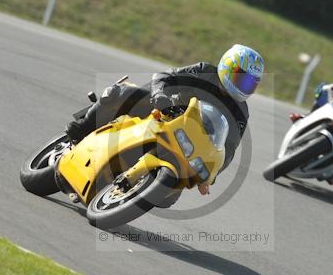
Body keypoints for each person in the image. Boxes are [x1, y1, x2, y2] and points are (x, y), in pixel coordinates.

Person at [65, 44, 264, 194]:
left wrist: (210, 177)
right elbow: (165, 76)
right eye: (243, 79)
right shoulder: (204, 71)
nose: (245, 87)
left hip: (189, 142)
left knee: (173, 193)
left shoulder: (241, 112)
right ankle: (81, 129)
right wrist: (160, 95)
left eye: (251, 84)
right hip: (163, 109)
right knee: (118, 93)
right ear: (227, 67)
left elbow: (228, 150)